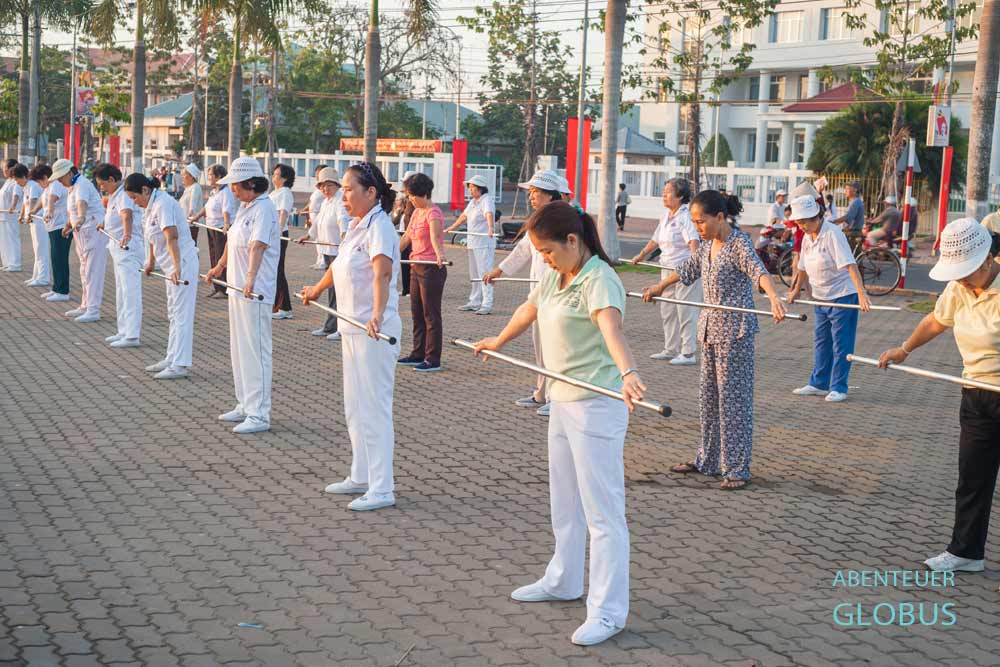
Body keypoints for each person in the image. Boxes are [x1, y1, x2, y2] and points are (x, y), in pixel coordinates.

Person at [473, 200, 646, 646]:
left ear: (573, 240)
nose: (544, 259)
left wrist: (628, 373)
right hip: (561, 400)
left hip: (596, 406)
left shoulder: (600, 278)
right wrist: (498, 339)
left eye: (547, 250)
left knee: (603, 514)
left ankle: (608, 612)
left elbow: (612, 330)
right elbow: (529, 310)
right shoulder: (554, 274)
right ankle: (564, 580)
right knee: (564, 501)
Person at [877, 218, 1000, 573]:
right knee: (973, 479)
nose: (960, 279)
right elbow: (936, 320)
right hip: (977, 394)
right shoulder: (959, 289)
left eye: (967, 272)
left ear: (988, 260)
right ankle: (966, 552)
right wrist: (905, 348)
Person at [642, 190, 787, 490]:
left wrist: (773, 299)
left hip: (735, 333)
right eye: (694, 222)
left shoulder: (739, 245)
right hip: (709, 331)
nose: (698, 228)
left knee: (734, 402)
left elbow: (759, 272)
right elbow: (686, 270)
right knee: (709, 400)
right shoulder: (708, 245)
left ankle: (735, 468)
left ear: (720, 217)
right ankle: (707, 460)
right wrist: (658, 286)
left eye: (702, 222)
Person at [300, 161, 402, 512]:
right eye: (342, 189)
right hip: (351, 327)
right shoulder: (357, 225)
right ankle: (360, 474)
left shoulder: (381, 227)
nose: (343, 195)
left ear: (371, 193)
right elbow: (338, 266)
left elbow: (383, 273)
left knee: (374, 409)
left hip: (373, 331)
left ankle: (382, 487)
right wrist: (316, 289)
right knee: (355, 406)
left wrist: (376, 313)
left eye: (349, 189)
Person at [205, 157, 281, 434]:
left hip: (255, 291)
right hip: (237, 289)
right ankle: (244, 404)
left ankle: (260, 413)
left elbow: (258, 245)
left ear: (250, 183)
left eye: (235, 185)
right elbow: (232, 241)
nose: (232, 190)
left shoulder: (265, 208)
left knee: (256, 350)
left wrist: (250, 277)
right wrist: (219, 267)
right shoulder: (245, 208)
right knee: (239, 348)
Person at [483, 169, 569, 416]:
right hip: (538, 294)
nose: (531, 197)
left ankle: (558, 399)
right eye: (530, 192)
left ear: (550, 195)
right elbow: (522, 251)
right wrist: (499, 270)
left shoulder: (560, 222)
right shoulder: (537, 220)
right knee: (541, 346)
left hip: (557, 293)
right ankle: (541, 392)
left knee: (556, 348)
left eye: (535, 192)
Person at [785, 195, 871, 402]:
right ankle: (818, 383)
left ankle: (839, 387)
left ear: (816, 217)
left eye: (805, 222)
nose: (802, 226)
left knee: (841, 343)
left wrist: (861, 292)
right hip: (821, 298)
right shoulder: (807, 237)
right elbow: (802, 267)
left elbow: (850, 264)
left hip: (843, 296)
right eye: (799, 223)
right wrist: (796, 289)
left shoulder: (833, 234)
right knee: (822, 341)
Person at [124, 173, 199, 380]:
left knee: (182, 315)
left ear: (145, 191)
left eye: (134, 197)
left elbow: (171, 236)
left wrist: (177, 268)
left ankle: (180, 364)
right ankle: (172, 357)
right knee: (173, 313)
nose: (134, 202)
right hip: (169, 266)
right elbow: (151, 236)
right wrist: (150, 261)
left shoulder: (164, 204)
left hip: (182, 263)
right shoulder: (150, 206)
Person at [631, 178, 701, 366]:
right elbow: (656, 239)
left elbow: (693, 241)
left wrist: (695, 263)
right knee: (668, 310)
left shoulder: (685, 216)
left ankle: (688, 353)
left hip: (684, 271)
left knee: (685, 310)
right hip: (666, 268)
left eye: (668, 192)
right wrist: (641, 255)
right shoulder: (666, 215)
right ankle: (671, 348)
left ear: (680, 196)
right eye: (664, 191)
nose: (664, 195)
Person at [398, 172, 448, 372]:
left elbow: (435, 237)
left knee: (431, 315)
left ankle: (432, 358)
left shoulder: (433, 213)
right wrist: (391, 254)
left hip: (430, 268)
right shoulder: (417, 212)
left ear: (424, 193)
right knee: (416, 312)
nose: (410, 199)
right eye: (408, 195)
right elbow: (407, 237)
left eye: (412, 195)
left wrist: (439, 255)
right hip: (415, 266)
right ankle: (417, 353)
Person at [95, 164, 144, 349]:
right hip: (117, 247)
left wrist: (126, 234)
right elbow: (114, 217)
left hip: (127, 248)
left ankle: (132, 335)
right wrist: (103, 224)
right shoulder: (114, 196)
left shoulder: (123, 195)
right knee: (121, 291)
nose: (101, 187)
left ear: (112, 180)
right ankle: (123, 330)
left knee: (130, 292)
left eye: (102, 184)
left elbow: (127, 215)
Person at [300, 167, 349, 341]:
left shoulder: (340, 201)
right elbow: (318, 222)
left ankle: (340, 327)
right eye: (322, 186)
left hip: (338, 252)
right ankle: (331, 326)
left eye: (328, 185)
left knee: (339, 292)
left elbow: (343, 220)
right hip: (328, 252)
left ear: (336, 185)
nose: (325, 189)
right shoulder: (326, 202)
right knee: (332, 291)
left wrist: (344, 236)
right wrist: (308, 235)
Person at [446, 174, 495, 315]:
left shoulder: (487, 200)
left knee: (485, 273)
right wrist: (452, 227)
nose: (470, 191)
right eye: (470, 188)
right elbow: (463, 216)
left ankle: (487, 303)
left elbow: (489, 214)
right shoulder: (473, 202)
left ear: (480, 189)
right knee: (474, 273)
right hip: (473, 242)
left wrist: (491, 228)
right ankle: (474, 301)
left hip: (484, 242)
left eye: (473, 188)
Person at [64, 165, 106, 323]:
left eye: (61, 178)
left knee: (92, 271)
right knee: (84, 269)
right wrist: (69, 224)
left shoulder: (81, 184)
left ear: (69, 173)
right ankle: (85, 305)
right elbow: (72, 210)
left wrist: (80, 217)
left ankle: (93, 309)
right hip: (81, 232)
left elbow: (81, 205)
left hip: (92, 231)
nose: (60, 182)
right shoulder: (72, 186)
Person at [190, 164, 238, 298]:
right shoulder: (214, 191)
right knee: (213, 256)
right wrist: (196, 218)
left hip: (220, 228)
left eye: (211, 175)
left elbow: (226, 210)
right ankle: (216, 286)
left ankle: (223, 289)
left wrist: (227, 224)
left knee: (220, 257)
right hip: (211, 227)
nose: (209, 177)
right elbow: (206, 208)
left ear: (219, 177)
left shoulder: (225, 192)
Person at [42, 161, 72, 302]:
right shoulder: (55, 184)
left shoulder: (57, 185)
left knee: (60, 258)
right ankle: (56, 288)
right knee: (55, 258)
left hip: (61, 226)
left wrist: (49, 212)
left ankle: (63, 291)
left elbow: (52, 200)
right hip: (54, 226)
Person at [270, 163, 295, 320]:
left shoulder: (285, 193)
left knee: (278, 269)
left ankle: (285, 307)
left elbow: (283, 213)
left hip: (278, 235)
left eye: (277, 174)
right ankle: (276, 304)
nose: (274, 176)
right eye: (273, 173)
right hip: (271, 234)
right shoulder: (275, 192)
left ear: (285, 178)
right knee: (273, 269)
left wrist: (277, 232)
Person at [21, 164, 51, 287]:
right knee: (37, 249)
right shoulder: (33, 184)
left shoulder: (33, 185)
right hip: (35, 218)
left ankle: (43, 277)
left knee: (41, 249)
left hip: (40, 219)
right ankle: (37, 275)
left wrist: (29, 214)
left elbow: (33, 201)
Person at [0, 159, 24, 272]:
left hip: (11, 215)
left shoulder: (16, 181)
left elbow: (16, 195)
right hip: (3, 215)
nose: (3, 171)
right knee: (4, 240)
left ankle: (15, 264)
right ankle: (7, 262)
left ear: (12, 169)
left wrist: (12, 207)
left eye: (5, 169)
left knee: (13, 239)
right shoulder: (8, 181)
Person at [305, 164, 328, 269]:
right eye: (316, 175)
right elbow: (311, 203)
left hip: (321, 215)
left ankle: (323, 261)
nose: (317, 176)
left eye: (319, 174)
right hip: (314, 215)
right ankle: (319, 260)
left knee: (322, 239)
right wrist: (305, 211)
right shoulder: (318, 189)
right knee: (317, 240)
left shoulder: (326, 189)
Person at [831, 181, 866, 250]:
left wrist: (833, 222)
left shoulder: (856, 202)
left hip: (853, 234)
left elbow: (848, 217)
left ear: (855, 190)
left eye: (847, 189)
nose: (845, 191)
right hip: (853, 232)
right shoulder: (854, 201)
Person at [178, 164, 203, 244]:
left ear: (191, 176)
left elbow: (193, 205)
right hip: (184, 223)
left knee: (191, 247)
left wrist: (188, 217)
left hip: (191, 224)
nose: (182, 177)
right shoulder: (187, 188)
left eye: (184, 175)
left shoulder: (195, 187)